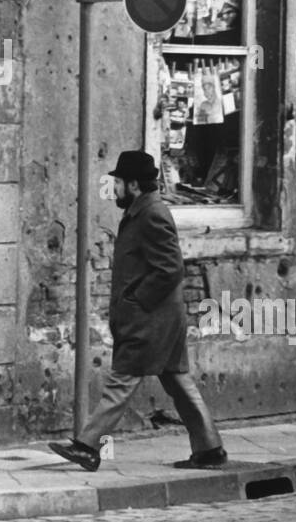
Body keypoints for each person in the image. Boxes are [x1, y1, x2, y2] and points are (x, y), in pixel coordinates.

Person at [49, 150, 226, 472]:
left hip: (150, 320)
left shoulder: (152, 214)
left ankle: (88, 446)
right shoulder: (140, 210)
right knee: (178, 382)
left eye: (117, 182)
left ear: (133, 184)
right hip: (158, 317)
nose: (113, 189)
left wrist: (136, 300)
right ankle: (210, 448)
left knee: (121, 381)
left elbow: (171, 268)